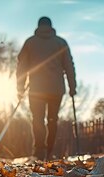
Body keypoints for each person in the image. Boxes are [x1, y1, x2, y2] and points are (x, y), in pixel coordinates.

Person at [16, 16, 77, 160]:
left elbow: (22, 66)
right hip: (56, 89)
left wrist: (20, 87)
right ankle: (49, 152)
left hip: (37, 89)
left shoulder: (30, 42)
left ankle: (39, 151)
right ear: (51, 26)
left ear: (38, 26)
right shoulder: (61, 42)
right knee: (52, 120)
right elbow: (69, 66)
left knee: (37, 119)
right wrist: (72, 86)